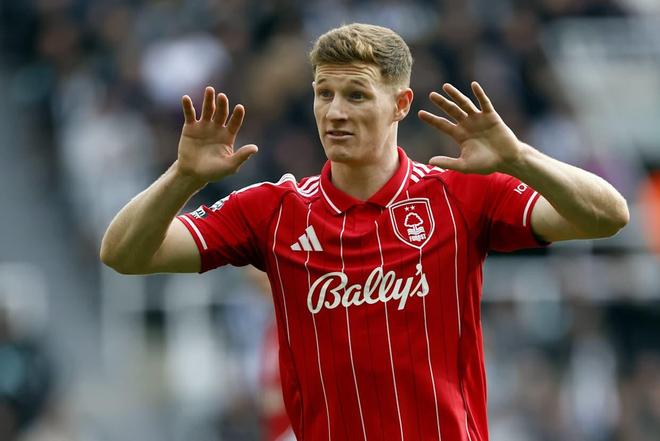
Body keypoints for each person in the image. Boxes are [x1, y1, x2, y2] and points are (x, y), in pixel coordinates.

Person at [100, 23, 629, 441]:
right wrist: (183, 176)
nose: (334, 112)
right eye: (323, 93)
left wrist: (519, 158)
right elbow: (124, 254)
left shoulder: (460, 196)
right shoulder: (273, 210)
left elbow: (608, 215)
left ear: (400, 104)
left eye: (356, 95)